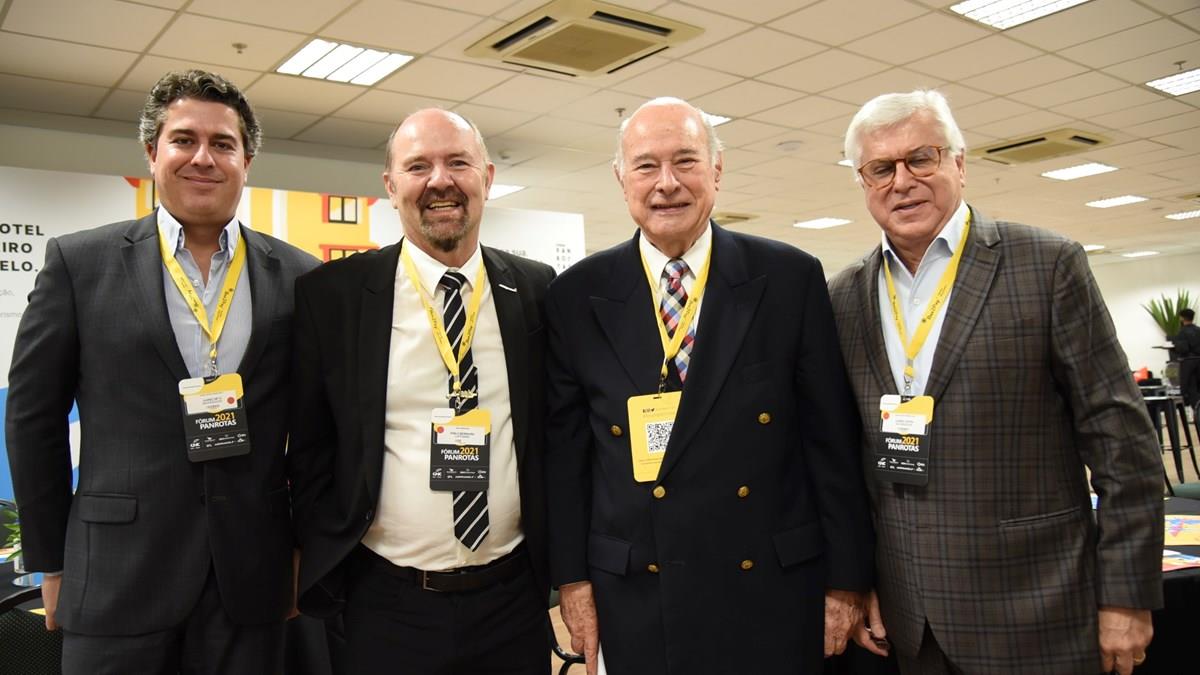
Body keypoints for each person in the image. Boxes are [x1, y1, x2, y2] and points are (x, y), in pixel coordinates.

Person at [828, 89, 1164, 675]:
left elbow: (1122, 444)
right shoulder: (843, 296)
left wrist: (1126, 595)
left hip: (1038, 604)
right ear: (863, 182)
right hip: (910, 621)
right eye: (880, 168)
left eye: (921, 158)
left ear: (959, 163)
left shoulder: (1047, 265)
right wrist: (860, 580)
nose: (901, 181)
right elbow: (848, 460)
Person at [544, 97, 875, 675]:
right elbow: (566, 458)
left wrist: (846, 583)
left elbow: (831, 444)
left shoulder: (788, 278)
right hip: (639, 589)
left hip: (769, 586)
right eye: (646, 166)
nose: (667, 183)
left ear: (716, 170)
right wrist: (572, 580)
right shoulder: (576, 294)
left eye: (686, 161)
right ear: (621, 179)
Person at [5, 69, 319, 674]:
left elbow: (314, 432)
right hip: (115, 575)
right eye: (184, 140)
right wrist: (51, 562)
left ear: (246, 162)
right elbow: (32, 418)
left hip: (252, 578)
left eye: (223, 144)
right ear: (152, 153)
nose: (203, 157)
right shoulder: (80, 263)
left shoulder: (300, 276)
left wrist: (304, 549)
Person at [287, 108, 554, 674]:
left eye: (457, 163)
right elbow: (310, 448)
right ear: (390, 186)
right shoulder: (332, 296)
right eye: (417, 167)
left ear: (486, 178)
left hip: (512, 600)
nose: (440, 181)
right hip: (384, 604)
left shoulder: (535, 289)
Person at [1173, 308, 1200, 406]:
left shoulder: (1182, 332)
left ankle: (1196, 410)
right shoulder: (1198, 330)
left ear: (1182, 318)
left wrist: (1175, 347)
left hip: (1188, 362)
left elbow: (1183, 349)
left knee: (1190, 388)